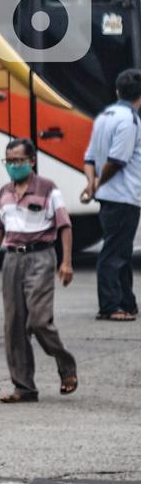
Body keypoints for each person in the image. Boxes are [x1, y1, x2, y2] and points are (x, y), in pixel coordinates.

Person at [0, 140, 78, 403]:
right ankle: (24, 387)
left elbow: (64, 226)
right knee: (14, 325)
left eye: (19, 161)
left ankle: (66, 365)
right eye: (9, 161)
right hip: (12, 260)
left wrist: (66, 262)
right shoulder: (4, 192)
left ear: (31, 161)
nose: (14, 166)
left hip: (41, 257)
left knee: (39, 321)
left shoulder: (47, 188)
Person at [81, 68, 141, 321]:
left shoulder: (104, 115)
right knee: (113, 254)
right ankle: (110, 306)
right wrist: (96, 183)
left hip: (111, 196)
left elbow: (89, 158)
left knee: (121, 251)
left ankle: (126, 302)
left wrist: (92, 183)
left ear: (117, 90)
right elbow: (117, 160)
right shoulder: (129, 120)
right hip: (123, 195)